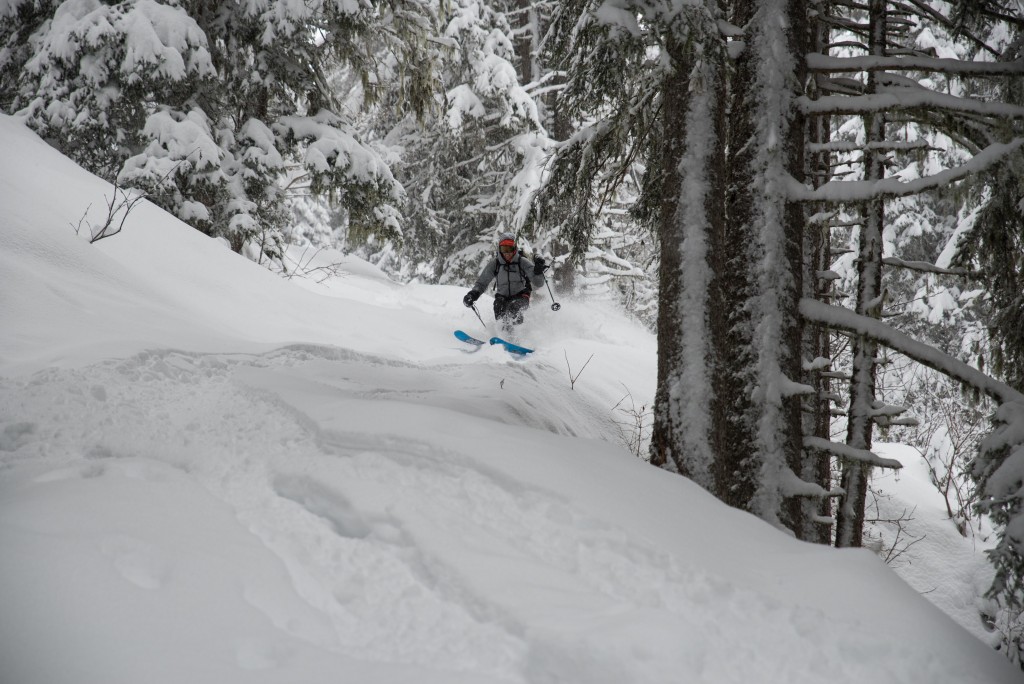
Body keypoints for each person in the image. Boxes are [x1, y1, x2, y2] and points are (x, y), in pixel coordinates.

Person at [463, 232, 547, 332]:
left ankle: (519, 337)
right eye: (504, 249)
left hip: (521, 296)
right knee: (498, 307)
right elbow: (482, 282)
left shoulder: (522, 262)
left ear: (515, 248)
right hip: (502, 297)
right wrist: (472, 295)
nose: (507, 253)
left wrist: (538, 272)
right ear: (499, 249)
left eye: (510, 249)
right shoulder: (495, 264)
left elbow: (539, 283)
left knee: (514, 308)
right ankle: (503, 335)